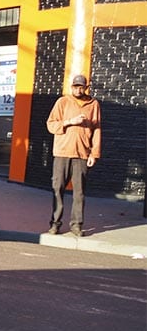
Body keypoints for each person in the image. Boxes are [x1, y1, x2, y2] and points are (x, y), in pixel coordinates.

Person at [45, 74, 101, 236]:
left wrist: (94, 153)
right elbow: (51, 125)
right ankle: (55, 223)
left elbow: (97, 130)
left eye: (81, 86)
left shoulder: (93, 105)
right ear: (71, 87)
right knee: (57, 188)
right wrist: (70, 121)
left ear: (85, 88)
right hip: (62, 152)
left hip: (82, 154)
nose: (78, 89)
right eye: (75, 86)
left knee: (80, 192)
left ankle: (76, 225)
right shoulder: (62, 102)